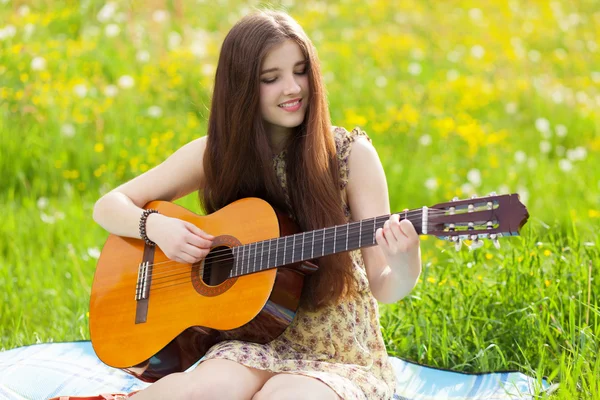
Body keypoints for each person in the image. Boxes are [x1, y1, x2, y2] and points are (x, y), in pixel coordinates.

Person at [93, 9, 421, 400]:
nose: (293, 88)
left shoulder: (350, 156)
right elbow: (109, 205)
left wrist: (405, 260)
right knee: (207, 390)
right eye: (271, 78)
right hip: (252, 341)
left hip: (337, 353)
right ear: (241, 87)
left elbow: (385, 285)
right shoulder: (217, 155)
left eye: (301, 71)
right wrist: (158, 228)